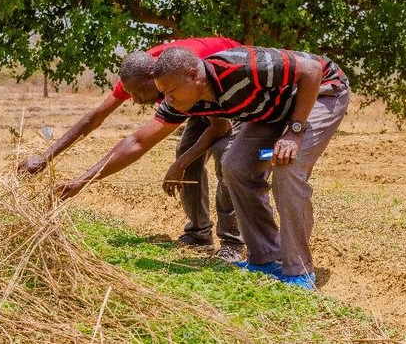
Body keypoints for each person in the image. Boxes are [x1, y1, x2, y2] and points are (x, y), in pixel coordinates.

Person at [56, 45, 350, 290]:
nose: (167, 102)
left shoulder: (241, 66)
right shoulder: (182, 100)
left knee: (288, 164)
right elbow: (136, 142)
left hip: (321, 92)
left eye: (171, 92)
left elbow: (311, 70)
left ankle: (298, 271)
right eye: (164, 95)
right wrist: (84, 180)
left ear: (194, 75)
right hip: (269, 110)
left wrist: (294, 131)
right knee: (235, 164)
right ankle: (265, 258)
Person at [20, 37, 244, 260]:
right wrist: (46, 158)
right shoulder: (138, 74)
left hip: (234, 93)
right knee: (186, 152)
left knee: (226, 155)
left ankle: (232, 243)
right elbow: (97, 119)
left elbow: (217, 128)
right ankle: (198, 234)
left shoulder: (181, 73)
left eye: (137, 94)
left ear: (153, 79)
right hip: (194, 97)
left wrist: (179, 164)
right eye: (130, 94)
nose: (134, 100)